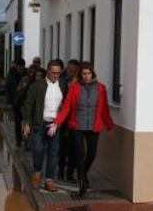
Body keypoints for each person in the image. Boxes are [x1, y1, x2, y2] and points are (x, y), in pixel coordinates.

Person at [48, 62, 114, 196]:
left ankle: (83, 173)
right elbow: (66, 107)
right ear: (80, 75)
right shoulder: (74, 88)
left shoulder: (101, 88)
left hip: (94, 126)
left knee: (91, 154)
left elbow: (104, 109)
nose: (86, 76)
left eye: (89, 73)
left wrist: (110, 125)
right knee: (79, 154)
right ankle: (82, 181)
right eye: (84, 74)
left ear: (93, 74)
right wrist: (57, 123)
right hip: (77, 126)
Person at [22, 60, 67, 192]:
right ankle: (37, 173)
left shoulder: (63, 85)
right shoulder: (38, 86)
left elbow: (66, 105)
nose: (55, 75)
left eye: (58, 73)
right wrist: (27, 123)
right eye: (53, 72)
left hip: (55, 124)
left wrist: (59, 122)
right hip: (39, 123)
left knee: (53, 153)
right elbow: (28, 104)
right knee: (38, 149)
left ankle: (49, 180)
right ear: (47, 71)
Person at [58, 59, 81, 183]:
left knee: (74, 148)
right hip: (63, 119)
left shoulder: (80, 83)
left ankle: (70, 173)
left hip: (76, 120)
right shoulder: (61, 81)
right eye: (70, 69)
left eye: (74, 70)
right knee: (63, 147)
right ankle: (61, 170)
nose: (71, 72)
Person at [6, 58, 26, 147]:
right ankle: (18, 140)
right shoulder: (11, 74)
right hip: (16, 101)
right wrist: (9, 102)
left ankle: (25, 139)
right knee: (17, 122)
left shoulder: (26, 73)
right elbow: (8, 89)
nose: (20, 69)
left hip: (25, 102)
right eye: (19, 67)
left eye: (21, 67)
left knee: (26, 122)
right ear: (16, 66)